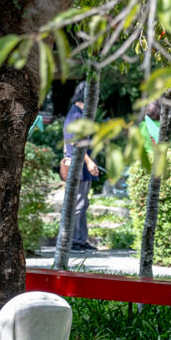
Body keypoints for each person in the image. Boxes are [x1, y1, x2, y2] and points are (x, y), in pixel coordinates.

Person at [62, 82, 99, 252]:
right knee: (78, 203)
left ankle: (80, 238)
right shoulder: (77, 115)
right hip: (80, 165)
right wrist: (89, 161)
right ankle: (74, 240)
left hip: (80, 164)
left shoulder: (74, 114)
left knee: (83, 203)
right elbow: (76, 142)